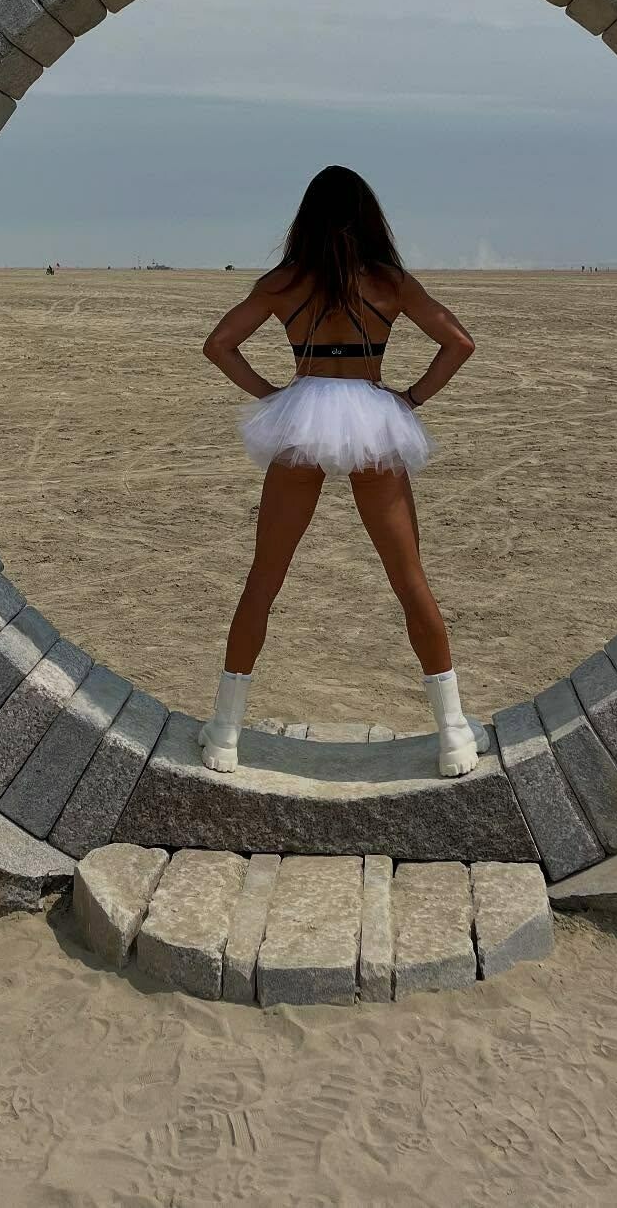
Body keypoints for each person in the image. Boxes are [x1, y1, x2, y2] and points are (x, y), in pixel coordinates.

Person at [199, 165, 479, 779]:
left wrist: (273, 395)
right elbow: (459, 342)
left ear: (306, 217)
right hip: (372, 417)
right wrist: (410, 398)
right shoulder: (388, 282)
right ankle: (454, 734)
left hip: (302, 417)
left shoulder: (284, 281)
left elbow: (218, 345)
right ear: (368, 217)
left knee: (265, 577)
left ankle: (224, 733)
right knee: (408, 578)